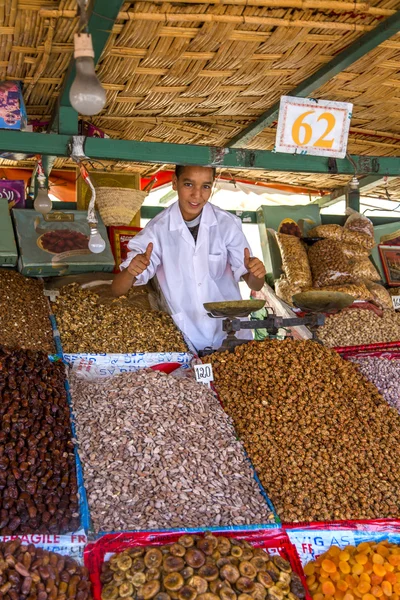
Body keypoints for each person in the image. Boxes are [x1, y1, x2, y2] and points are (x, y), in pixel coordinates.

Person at [112, 165, 266, 351]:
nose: (197, 195)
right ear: (174, 183)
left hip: (232, 334)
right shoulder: (157, 229)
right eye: (188, 184)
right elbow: (117, 289)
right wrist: (131, 271)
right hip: (187, 337)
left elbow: (254, 284)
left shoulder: (227, 224)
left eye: (205, 186)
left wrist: (256, 273)